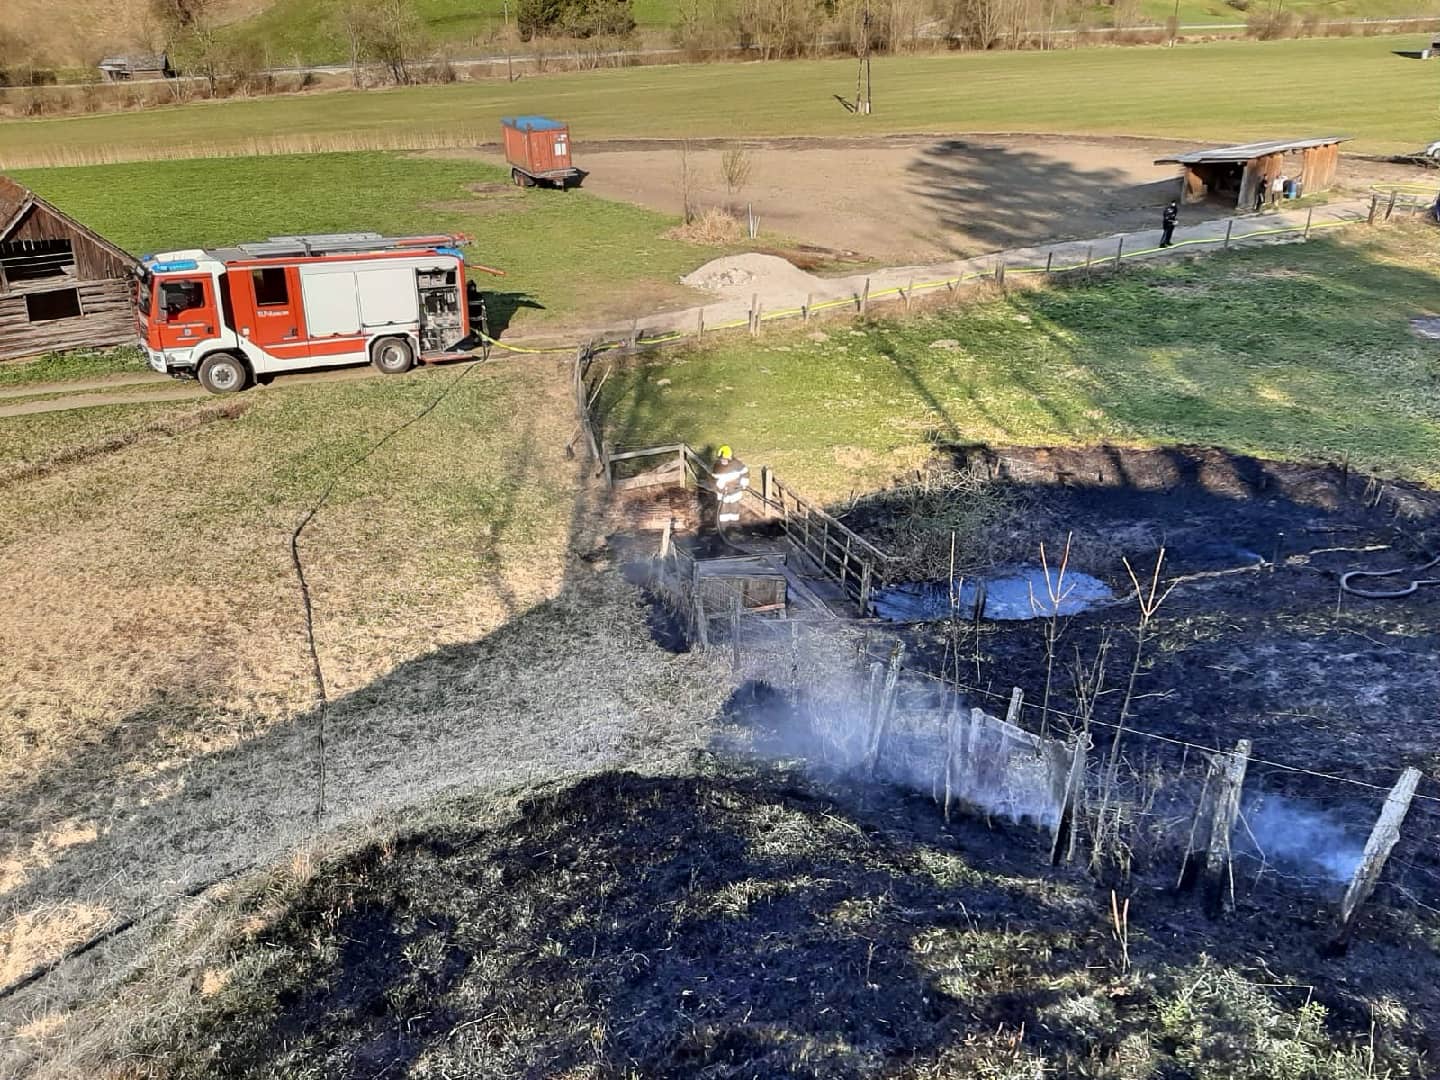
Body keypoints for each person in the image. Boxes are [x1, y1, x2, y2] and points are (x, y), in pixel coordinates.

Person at [711, 445, 750, 528]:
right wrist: (719, 486)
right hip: (723, 493)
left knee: (734, 507)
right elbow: (714, 478)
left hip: (735, 491)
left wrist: (744, 483)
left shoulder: (737, 465)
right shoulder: (717, 467)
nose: (723, 461)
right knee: (723, 509)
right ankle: (723, 526)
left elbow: (745, 472)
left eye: (725, 459)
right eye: (722, 459)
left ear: (730, 457)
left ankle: (734, 524)